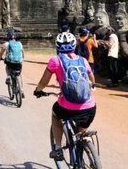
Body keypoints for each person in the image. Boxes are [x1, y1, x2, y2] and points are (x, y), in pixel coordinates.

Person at [34, 32, 96, 161]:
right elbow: (92, 79)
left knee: (55, 114)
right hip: (89, 107)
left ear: (57, 46)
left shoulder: (55, 61)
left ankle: (57, 148)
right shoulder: (83, 60)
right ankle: (86, 147)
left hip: (67, 107)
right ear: (74, 45)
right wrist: (92, 87)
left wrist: (38, 90)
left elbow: (44, 82)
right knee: (81, 132)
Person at [0, 29, 25, 96]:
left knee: (7, 67)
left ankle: (8, 77)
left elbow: (1, 52)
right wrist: (22, 59)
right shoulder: (19, 43)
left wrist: (0, 57)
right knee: (19, 75)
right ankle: (21, 91)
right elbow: (23, 53)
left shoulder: (6, 44)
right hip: (19, 63)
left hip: (10, 62)